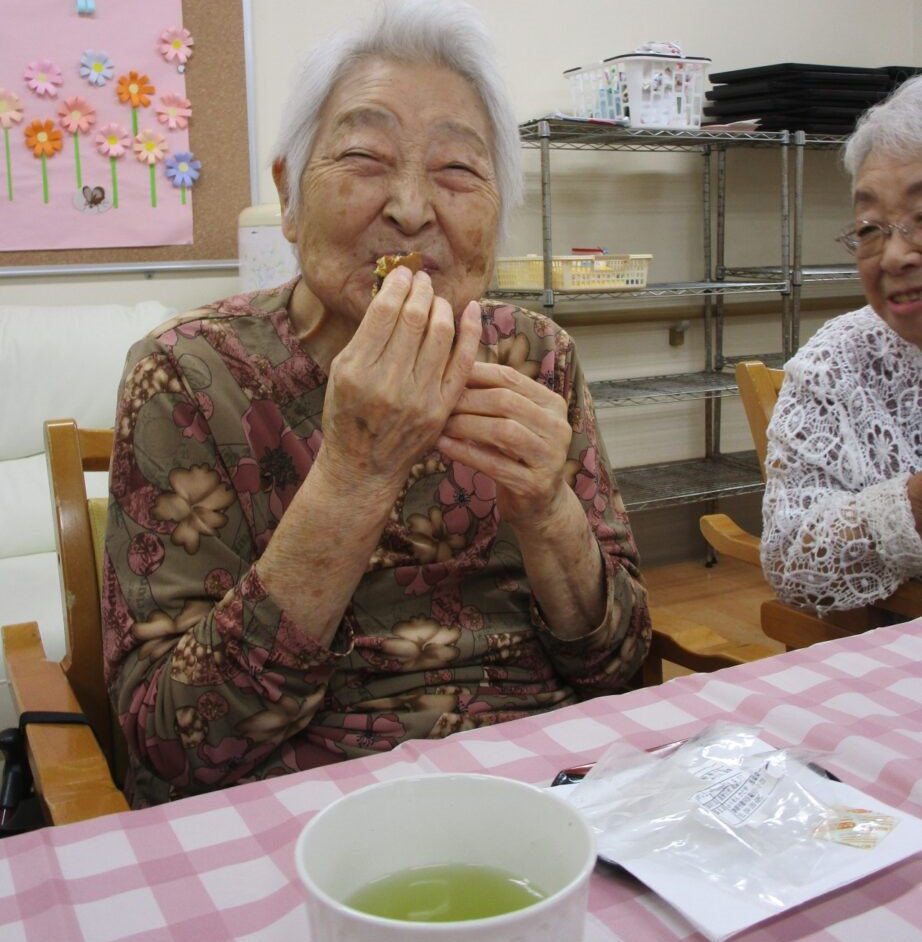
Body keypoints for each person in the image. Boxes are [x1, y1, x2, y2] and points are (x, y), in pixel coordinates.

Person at [102, 0, 651, 807]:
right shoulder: (188, 374)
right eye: (364, 157)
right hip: (303, 802)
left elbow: (622, 668)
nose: (412, 207)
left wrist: (547, 510)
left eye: (459, 170)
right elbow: (170, 746)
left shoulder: (535, 356)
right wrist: (354, 476)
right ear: (289, 195)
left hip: (552, 783)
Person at [760, 74, 922, 615]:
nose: (894, 256)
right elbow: (791, 561)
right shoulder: (837, 364)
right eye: (870, 228)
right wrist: (912, 507)